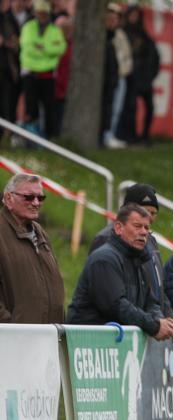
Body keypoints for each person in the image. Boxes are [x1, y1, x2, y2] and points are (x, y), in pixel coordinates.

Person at [67, 204, 173, 340]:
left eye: (147, 228)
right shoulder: (104, 259)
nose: (144, 232)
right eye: (137, 226)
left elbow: (150, 302)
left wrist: (161, 321)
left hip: (115, 346)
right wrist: (154, 326)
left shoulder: (140, 261)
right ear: (119, 228)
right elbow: (116, 305)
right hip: (88, 343)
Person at [90, 183, 173, 319]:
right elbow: (108, 295)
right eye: (144, 211)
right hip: (118, 327)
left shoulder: (151, 241)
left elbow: (158, 287)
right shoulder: (105, 239)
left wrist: (168, 316)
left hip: (146, 323)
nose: (150, 217)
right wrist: (150, 322)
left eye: (153, 213)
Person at [0, 172, 64, 323]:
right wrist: (10, 327)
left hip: (46, 336)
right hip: (14, 339)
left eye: (40, 198)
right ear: (9, 199)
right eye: (28, 197)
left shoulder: (40, 232)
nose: (36, 203)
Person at [19, 0, 65, 138]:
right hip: (31, 74)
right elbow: (28, 47)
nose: (41, 15)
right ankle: (31, 138)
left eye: (44, 13)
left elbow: (61, 48)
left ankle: (49, 138)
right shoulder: (28, 27)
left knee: (49, 108)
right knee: (31, 108)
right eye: (39, 13)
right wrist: (48, 50)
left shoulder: (55, 30)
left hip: (48, 75)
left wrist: (41, 47)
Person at [118, 5, 159, 145]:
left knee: (150, 107)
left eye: (136, 15)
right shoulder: (123, 33)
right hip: (132, 78)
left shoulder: (144, 35)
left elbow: (154, 56)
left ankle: (145, 135)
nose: (134, 18)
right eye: (132, 15)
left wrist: (151, 74)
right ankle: (130, 135)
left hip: (145, 78)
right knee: (130, 108)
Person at [102, 4, 131, 149]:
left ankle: (110, 135)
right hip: (108, 79)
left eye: (115, 19)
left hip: (120, 77)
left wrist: (125, 70)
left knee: (116, 109)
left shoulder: (120, 35)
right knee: (108, 108)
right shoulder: (103, 35)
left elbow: (126, 56)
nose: (112, 22)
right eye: (110, 18)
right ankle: (105, 136)